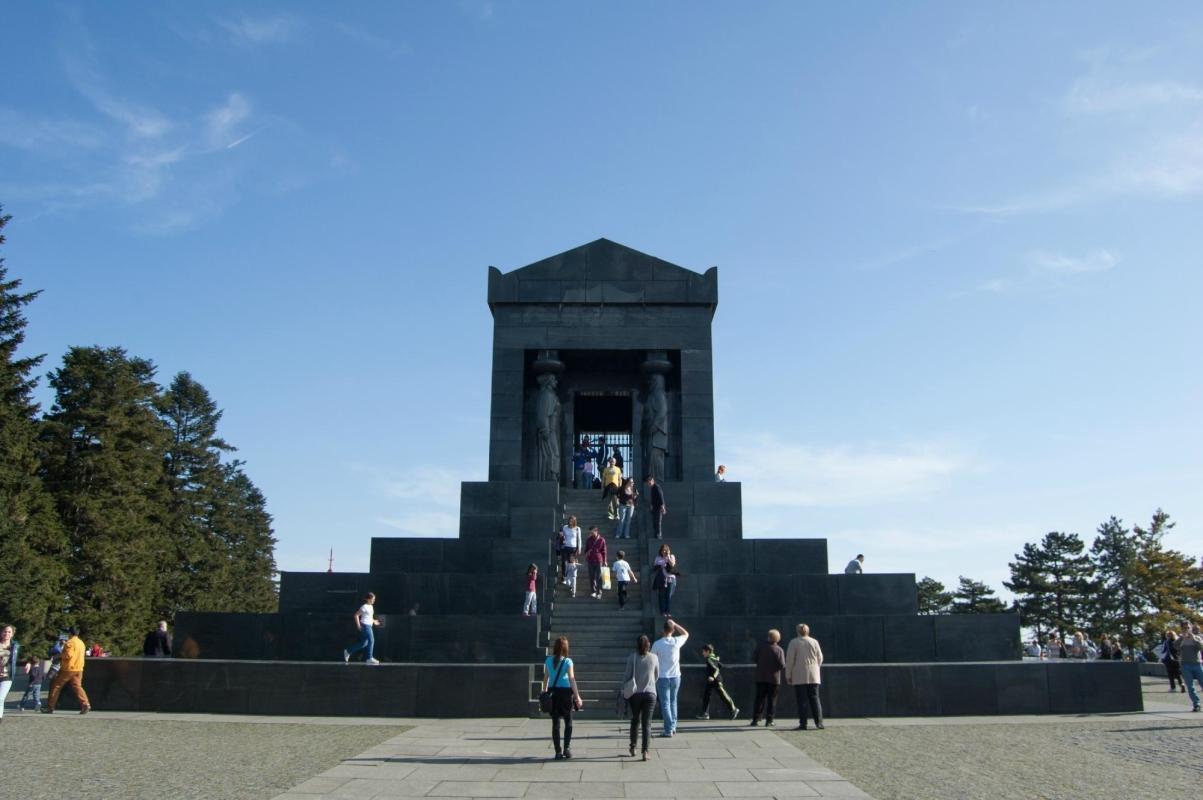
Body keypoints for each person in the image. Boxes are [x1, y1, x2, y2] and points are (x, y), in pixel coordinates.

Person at [544, 636, 583, 759]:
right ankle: (566, 748)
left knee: (555, 723)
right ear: (566, 648)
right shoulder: (568, 661)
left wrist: (545, 693)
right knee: (568, 721)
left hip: (553, 693)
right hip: (565, 693)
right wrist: (577, 696)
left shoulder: (548, 661)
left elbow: (546, 678)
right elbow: (572, 679)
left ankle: (557, 751)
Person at [622, 635, 659, 760]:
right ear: (648, 645)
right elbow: (656, 675)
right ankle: (645, 751)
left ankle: (633, 747)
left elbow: (627, 676)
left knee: (635, 720)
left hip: (635, 694)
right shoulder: (654, 658)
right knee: (647, 724)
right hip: (650, 694)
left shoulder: (632, 657)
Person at [650, 619, 689, 737]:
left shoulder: (657, 644)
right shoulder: (677, 641)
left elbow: (652, 659)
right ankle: (673, 726)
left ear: (663, 630)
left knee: (665, 703)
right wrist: (675, 624)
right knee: (673, 702)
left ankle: (668, 730)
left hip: (662, 677)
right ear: (672, 630)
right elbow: (686, 634)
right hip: (676, 676)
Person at [785, 624, 824, 730]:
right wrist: (816, 667)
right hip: (813, 674)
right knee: (815, 698)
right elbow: (820, 657)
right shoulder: (814, 641)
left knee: (802, 700)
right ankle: (819, 722)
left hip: (799, 674)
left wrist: (788, 674)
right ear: (808, 631)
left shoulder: (794, 642)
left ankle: (803, 723)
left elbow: (790, 660)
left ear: (797, 631)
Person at [44, 625, 90, 714]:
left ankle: (50, 707)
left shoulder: (70, 643)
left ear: (70, 633)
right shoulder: (81, 642)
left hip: (69, 668)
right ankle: (85, 704)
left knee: (56, 686)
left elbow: (68, 655)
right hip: (79, 668)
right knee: (77, 686)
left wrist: (58, 655)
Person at [749, 629, 785, 727]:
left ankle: (755, 720)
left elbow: (754, 658)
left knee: (759, 699)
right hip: (774, 678)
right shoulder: (779, 650)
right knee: (771, 700)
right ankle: (769, 720)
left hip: (760, 677)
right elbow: (782, 665)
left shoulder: (760, 647)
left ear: (768, 637)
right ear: (778, 639)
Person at [696, 644, 739, 720]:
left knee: (723, 695)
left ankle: (734, 709)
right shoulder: (712, 658)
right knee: (706, 696)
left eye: (703, 651)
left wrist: (712, 677)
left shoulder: (710, 659)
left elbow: (716, 669)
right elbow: (720, 665)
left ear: (708, 651)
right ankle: (705, 714)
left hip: (716, 681)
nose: (702, 653)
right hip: (710, 681)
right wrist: (717, 660)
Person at [342, 592, 382, 665]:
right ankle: (369, 658)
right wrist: (358, 626)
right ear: (368, 599)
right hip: (365, 626)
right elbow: (356, 615)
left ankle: (348, 651)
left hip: (369, 625)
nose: (374, 600)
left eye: (374, 599)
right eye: (373, 599)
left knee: (363, 643)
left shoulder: (371, 607)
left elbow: (369, 617)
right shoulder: (364, 607)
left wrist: (374, 621)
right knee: (371, 640)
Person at [1177, 620, 1203, 712]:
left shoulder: (1197, 637)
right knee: (1190, 686)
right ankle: (1196, 704)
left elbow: (1201, 647)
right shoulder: (1180, 639)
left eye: (1188, 627)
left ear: (1191, 628)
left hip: (1197, 664)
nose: (1186, 629)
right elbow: (1175, 647)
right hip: (1185, 665)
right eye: (1184, 628)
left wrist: (1194, 639)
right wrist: (1181, 639)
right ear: (1182, 629)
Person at [0, 624, 20, 722]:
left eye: (9, 632)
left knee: (0, 698)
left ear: (12, 634)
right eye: (5, 631)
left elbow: (21, 656)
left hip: (7, 676)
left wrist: (29, 662)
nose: (6, 634)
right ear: (1, 632)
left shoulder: (15, 646)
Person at [652, 543, 677, 618]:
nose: (664, 552)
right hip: (661, 579)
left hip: (670, 579)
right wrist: (661, 563)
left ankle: (668, 611)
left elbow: (672, 565)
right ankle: (662, 611)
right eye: (663, 551)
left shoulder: (671, 556)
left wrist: (668, 557)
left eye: (666, 551)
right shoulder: (658, 558)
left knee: (668, 596)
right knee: (661, 596)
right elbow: (655, 566)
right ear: (661, 551)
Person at [584, 526, 608, 599]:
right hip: (590, 560)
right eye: (590, 532)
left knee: (599, 577)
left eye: (592, 532)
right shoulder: (588, 540)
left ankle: (599, 592)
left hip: (599, 560)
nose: (591, 533)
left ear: (596, 531)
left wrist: (605, 560)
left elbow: (604, 551)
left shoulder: (601, 540)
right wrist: (587, 552)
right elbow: (585, 550)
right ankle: (593, 591)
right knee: (591, 577)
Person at [560, 515, 581, 581]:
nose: (570, 522)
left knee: (571, 564)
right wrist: (561, 535)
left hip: (573, 548)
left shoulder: (577, 528)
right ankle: (564, 576)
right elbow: (562, 536)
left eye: (572, 521)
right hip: (565, 547)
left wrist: (579, 548)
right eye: (569, 520)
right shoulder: (565, 527)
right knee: (564, 562)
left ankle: (571, 579)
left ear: (574, 521)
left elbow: (579, 539)